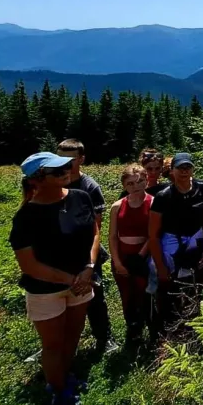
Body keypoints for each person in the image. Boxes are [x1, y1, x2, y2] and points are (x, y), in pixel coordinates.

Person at [10, 152, 99, 405]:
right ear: (37, 180)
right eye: (57, 171)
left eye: (66, 167)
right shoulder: (26, 217)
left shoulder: (80, 197)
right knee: (51, 344)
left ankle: (64, 375)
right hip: (46, 290)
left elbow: (94, 233)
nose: (66, 171)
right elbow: (29, 266)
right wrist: (72, 279)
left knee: (72, 334)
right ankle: (58, 391)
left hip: (82, 282)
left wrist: (89, 267)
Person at [56, 139, 116, 355]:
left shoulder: (89, 187)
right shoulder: (52, 182)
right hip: (57, 255)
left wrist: (90, 262)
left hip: (85, 254)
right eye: (59, 157)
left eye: (69, 159)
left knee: (94, 296)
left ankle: (104, 337)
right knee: (58, 299)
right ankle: (55, 342)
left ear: (81, 159)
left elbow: (96, 229)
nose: (63, 163)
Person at [147, 153, 203, 335]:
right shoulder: (163, 196)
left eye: (188, 167)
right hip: (172, 242)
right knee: (168, 284)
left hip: (197, 239)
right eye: (180, 168)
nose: (184, 171)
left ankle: (196, 325)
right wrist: (160, 266)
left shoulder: (202, 188)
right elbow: (153, 235)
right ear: (172, 170)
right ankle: (166, 328)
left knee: (198, 281)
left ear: (193, 169)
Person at [108, 164, 153, 344]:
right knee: (126, 294)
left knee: (143, 293)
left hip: (143, 255)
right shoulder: (117, 206)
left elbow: (153, 234)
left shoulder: (153, 202)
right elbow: (112, 236)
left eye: (140, 181)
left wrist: (141, 256)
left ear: (146, 181)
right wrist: (117, 262)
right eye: (131, 183)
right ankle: (132, 328)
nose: (136, 186)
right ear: (124, 185)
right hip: (122, 255)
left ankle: (146, 326)